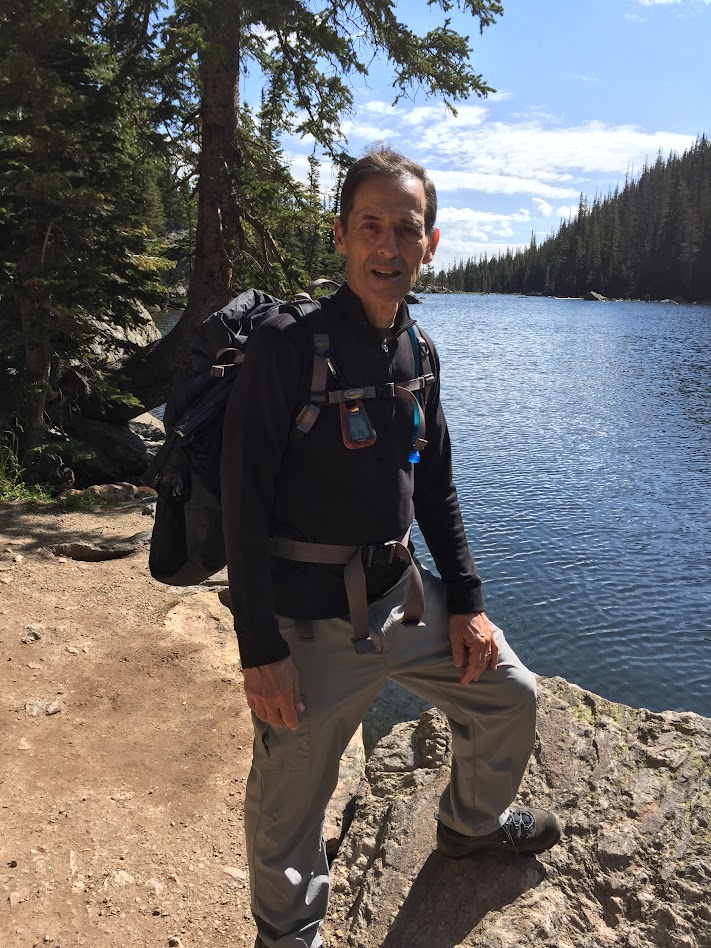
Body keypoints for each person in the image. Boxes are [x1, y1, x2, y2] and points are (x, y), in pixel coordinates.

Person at [221, 147, 561, 948]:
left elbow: (435, 485)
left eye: (405, 230)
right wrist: (258, 648)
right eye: (370, 227)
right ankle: (287, 935)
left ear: (430, 244)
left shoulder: (419, 349)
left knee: (510, 695)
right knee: (289, 809)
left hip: (401, 599)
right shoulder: (288, 347)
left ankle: (470, 824)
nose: (388, 247)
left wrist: (467, 602)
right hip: (307, 628)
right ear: (339, 236)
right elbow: (242, 501)